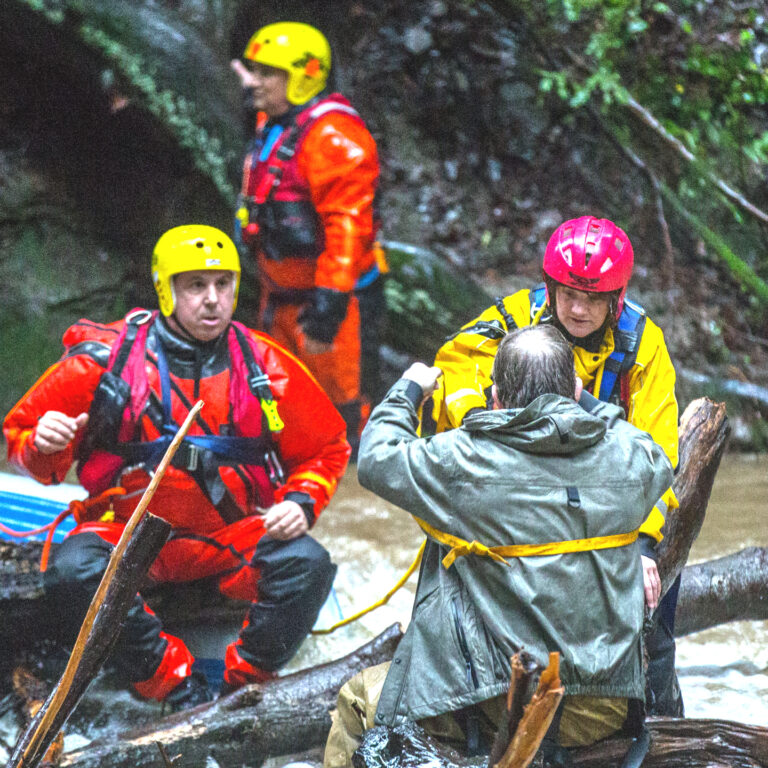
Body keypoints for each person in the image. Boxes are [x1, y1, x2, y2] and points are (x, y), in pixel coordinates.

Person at [3, 225, 350, 710]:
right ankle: (170, 686)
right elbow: (24, 446)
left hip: (228, 540)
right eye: (195, 286)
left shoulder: (265, 366)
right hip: (126, 535)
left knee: (307, 565)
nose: (212, 300)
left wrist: (301, 500)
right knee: (73, 571)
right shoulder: (101, 364)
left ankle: (240, 688)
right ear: (166, 290)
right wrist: (42, 443)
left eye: (223, 285)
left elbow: (326, 448)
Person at [324, 325, 674, 767]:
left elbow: (376, 458)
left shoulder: (464, 460)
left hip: (502, 705)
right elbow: (650, 450)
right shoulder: (630, 458)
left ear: (496, 399)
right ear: (575, 388)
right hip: (603, 709)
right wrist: (581, 400)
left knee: (357, 700)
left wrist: (409, 388)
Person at [430, 215, 683, 716]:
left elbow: (659, 454)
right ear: (550, 286)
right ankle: (467, 698)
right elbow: (450, 370)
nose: (577, 308)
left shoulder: (642, 345)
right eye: (567, 293)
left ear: (616, 297)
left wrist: (642, 543)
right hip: (519, 490)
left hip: (604, 497)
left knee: (656, 594)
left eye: (592, 298)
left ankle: (654, 702)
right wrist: (481, 419)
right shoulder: (512, 319)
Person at [231, 21, 385, 451]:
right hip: (278, 294)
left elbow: (348, 228)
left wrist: (328, 307)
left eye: (266, 73)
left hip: (332, 304)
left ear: (300, 77)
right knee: (276, 406)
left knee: (338, 418)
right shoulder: (276, 123)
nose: (255, 81)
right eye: (253, 71)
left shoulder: (333, 138)